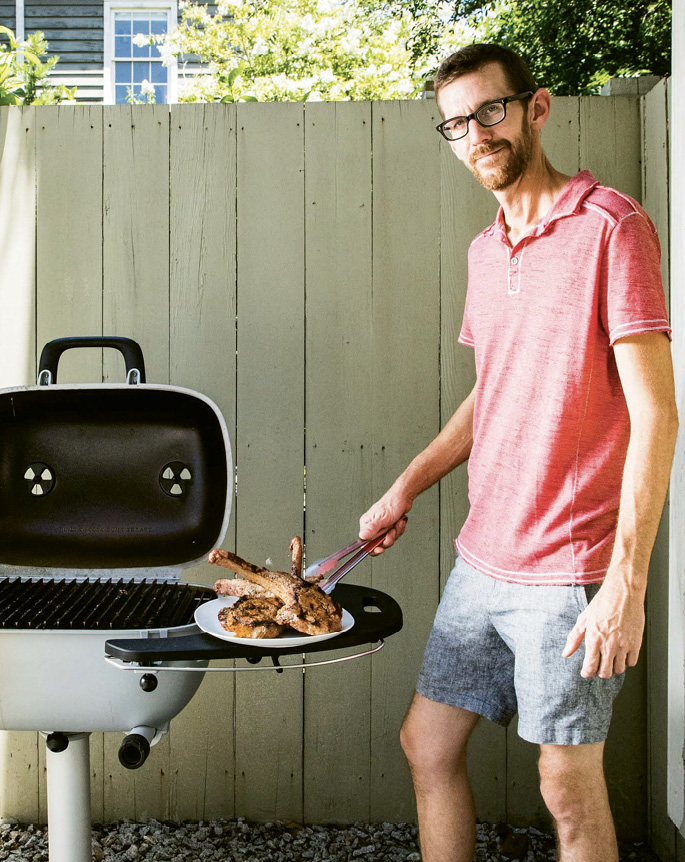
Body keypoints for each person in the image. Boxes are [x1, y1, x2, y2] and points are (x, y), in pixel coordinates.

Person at [358, 43, 678, 862]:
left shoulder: (612, 226)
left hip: (568, 573)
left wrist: (624, 586)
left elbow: (657, 416)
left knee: (566, 792)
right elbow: (493, 393)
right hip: (482, 559)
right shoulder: (485, 249)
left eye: (489, 111)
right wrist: (407, 487)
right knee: (426, 746)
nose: (475, 134)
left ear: (535, 107)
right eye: (456, 123)